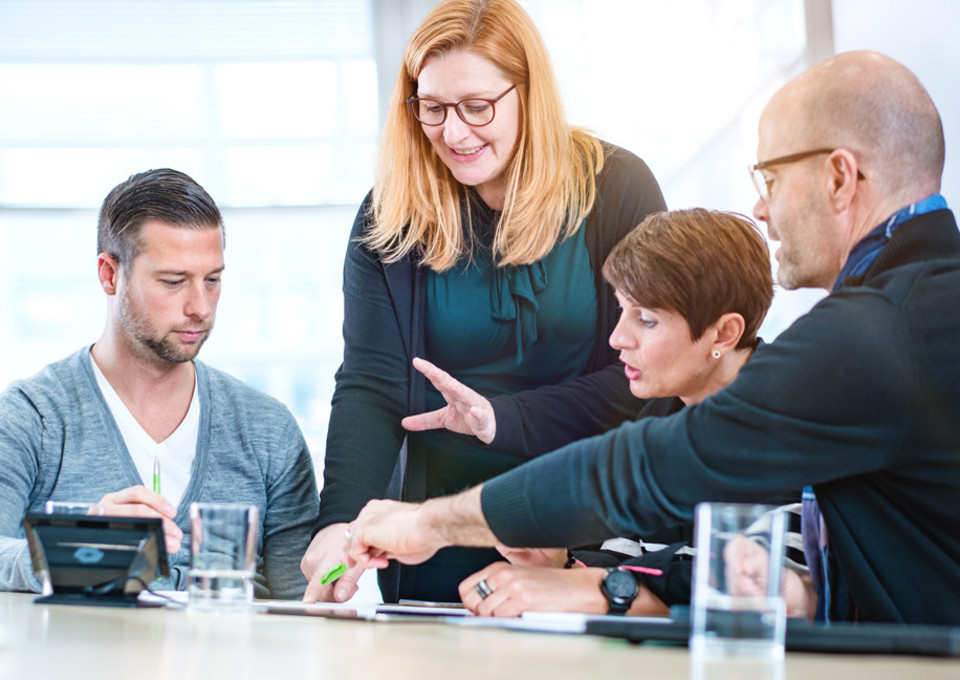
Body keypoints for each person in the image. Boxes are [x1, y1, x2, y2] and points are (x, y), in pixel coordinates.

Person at [340, 51, 960, 625]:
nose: (761, 208)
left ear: (839, 178)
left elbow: (646, 466)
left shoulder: (873, 335)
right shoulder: (925, 310)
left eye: (770, 178)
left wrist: (435, 523)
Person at [301, 0, 665, 603]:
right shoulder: (390, 214)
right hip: (432, 539)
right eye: (433, 108)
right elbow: (371, 383)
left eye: (477, 107)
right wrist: (338, 522)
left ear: (530, 94)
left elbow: (650, 376)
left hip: (585, 535)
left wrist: (503, 419)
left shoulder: (616, 188)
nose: (454, 132)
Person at [449, 208, 808, 617]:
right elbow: (628, 562)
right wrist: (562, 564)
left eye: (647, 320)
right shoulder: (660, 412)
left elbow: (754, 586)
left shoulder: (795, 420)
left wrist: (600, 586)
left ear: (723, 334)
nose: (618, 338)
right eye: (622, 310)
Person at [0, 169, 320, 599]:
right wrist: (73, 549)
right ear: (109, 275)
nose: (201, 308)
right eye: (173, 282)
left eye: (212, 280)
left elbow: (302, 605)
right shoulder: (31, 417)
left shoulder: (268, 431)